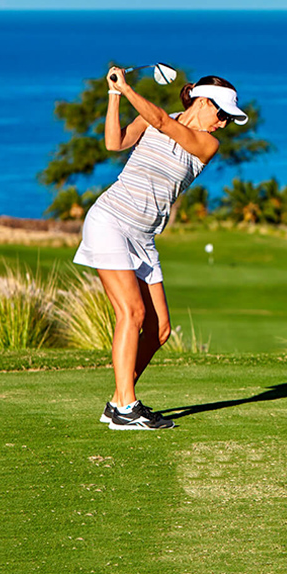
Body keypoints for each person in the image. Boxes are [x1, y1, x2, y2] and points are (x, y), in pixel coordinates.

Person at [74, 68, 247, 430]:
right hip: (110, 221)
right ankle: (126, 407)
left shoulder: (207, 145)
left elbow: (164, 124)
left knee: (159, 329)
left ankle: (118, 401)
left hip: (143, 236)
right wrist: (115, 95)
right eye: (221, 115)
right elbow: (114, 142)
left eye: (228, 120)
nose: (223, 124)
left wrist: (128, 88)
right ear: (203, 102)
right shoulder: (153, 118)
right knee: (132, 313)